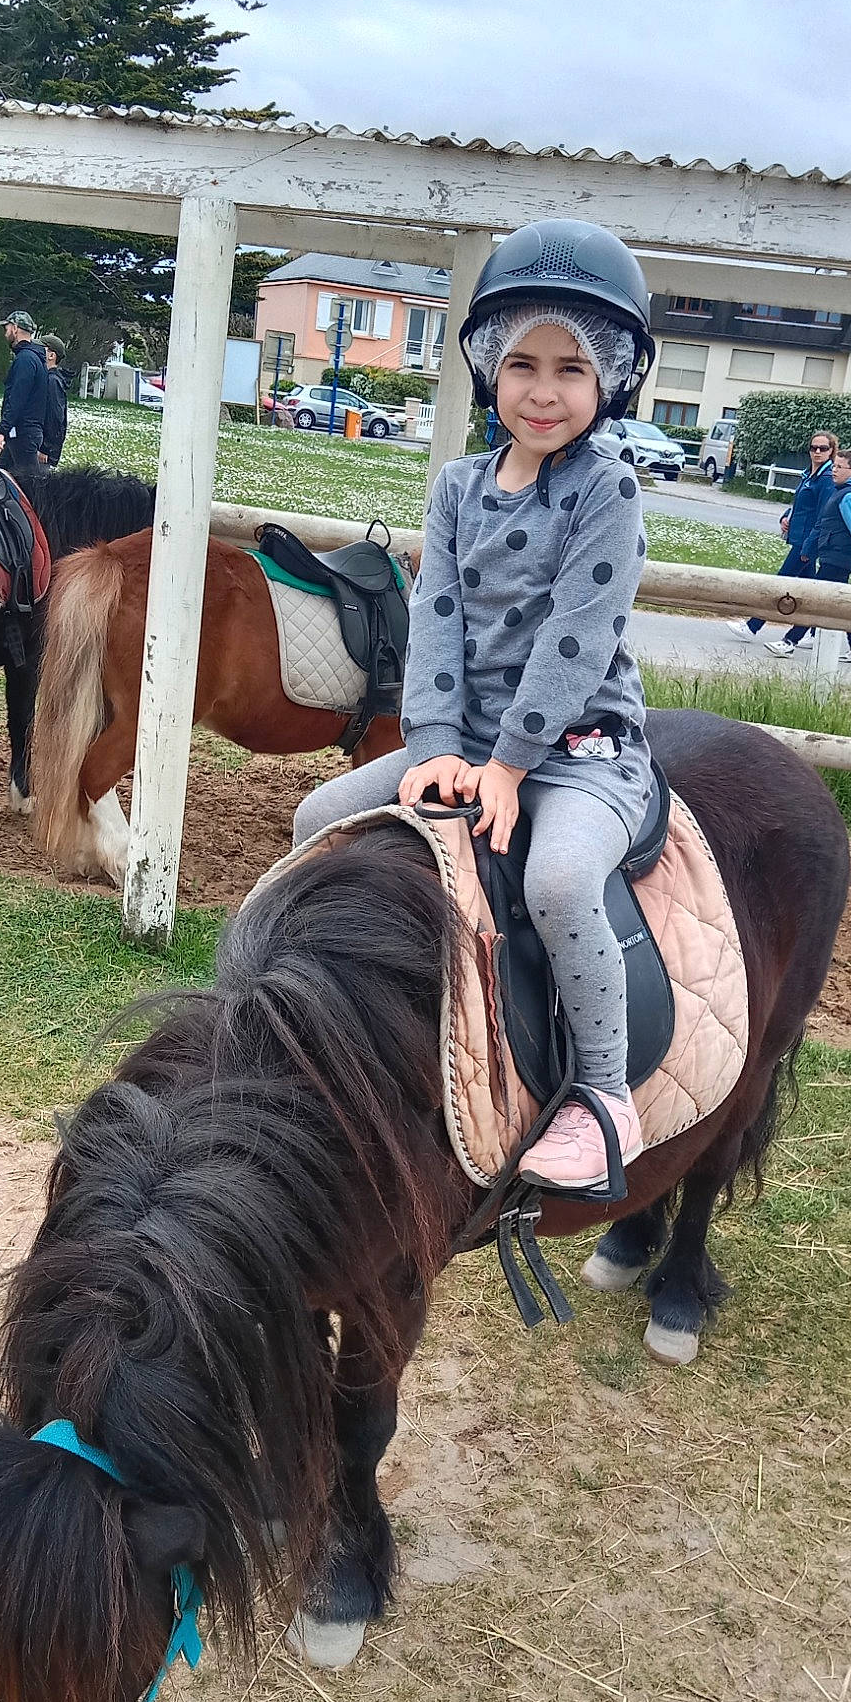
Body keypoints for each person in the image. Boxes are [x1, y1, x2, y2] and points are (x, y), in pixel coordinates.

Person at [292, 218, 657, 1190]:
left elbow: (577, 634)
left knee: (558, 879)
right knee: (318, 816)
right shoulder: (457, 486)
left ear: (611, 378)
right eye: (524, 363)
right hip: (474, 744)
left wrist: (509, 762)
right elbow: (438, 615)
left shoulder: (608, 487)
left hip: (582, 745)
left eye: (571, 368)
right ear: (490, 369)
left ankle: (604, 1092)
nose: (544, 389)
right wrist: (440, 746)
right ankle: (287, 1010)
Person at [726, 429, 838, 642]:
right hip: (799, 537)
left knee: (781, 581)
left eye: (823, 448)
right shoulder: (809, 474)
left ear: (831, 451)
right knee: (813, 588)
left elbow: (823, 513)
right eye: (813, 447)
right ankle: (818, 632)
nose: (817, 452)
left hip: (806, 542)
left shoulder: (826, 479)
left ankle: (752, 626)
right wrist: (786, 517)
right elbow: (800, 505)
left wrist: (810, 544)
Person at [765, 444, 851, 660]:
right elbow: (822, 524)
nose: (834, 470)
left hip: (839, 557)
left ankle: (789, 641)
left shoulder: (849, 496)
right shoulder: (840, 493)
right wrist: (808, 549)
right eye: (835, 466)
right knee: (839, 603)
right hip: (833, 554)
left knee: (814, 600)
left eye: (840, 467)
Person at [0, 310, 48, 497]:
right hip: (22, 435)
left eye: (7, 328)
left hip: (23, 435)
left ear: (15, 328)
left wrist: (2, 431)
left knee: (32, 491)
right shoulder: (35, 359)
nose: (5, 332)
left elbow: (17, 399)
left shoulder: (25, 360)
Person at [40, 334, 70, 468]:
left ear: (51, 356)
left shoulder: (52, 381)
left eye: (41, 349)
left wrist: (46, 449)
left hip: (42, 454)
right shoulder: (47, 378)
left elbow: (55, 418)